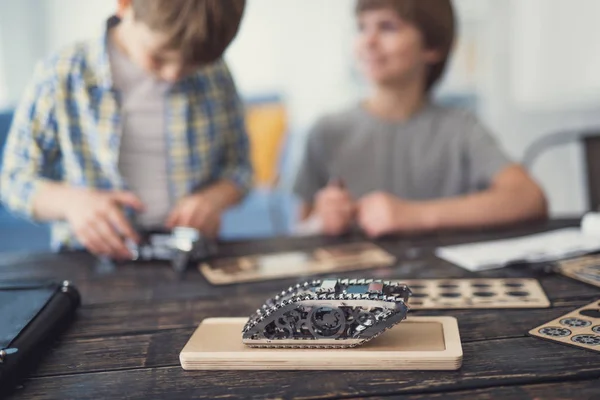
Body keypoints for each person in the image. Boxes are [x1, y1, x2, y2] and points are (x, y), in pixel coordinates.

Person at [0, 0, 252, 259]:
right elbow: (13, 180)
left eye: (192, 65)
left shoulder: (216, 75)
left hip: (192, 255)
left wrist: (214, 199)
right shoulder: (62, 73)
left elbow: (240, 168)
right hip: (89, 260)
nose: (173, 75)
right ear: (124, 6)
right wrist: (71, 203)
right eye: (159, 58)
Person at [293, 0, 548, 238]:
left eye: (388, 27)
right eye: (362, 27)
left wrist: (412, 215)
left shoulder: (461, 129)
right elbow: (299, 227)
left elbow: (529, 197)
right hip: (355, 285)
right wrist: (320, 222)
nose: (368, 41)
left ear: (432, 47)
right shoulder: (326, 131)